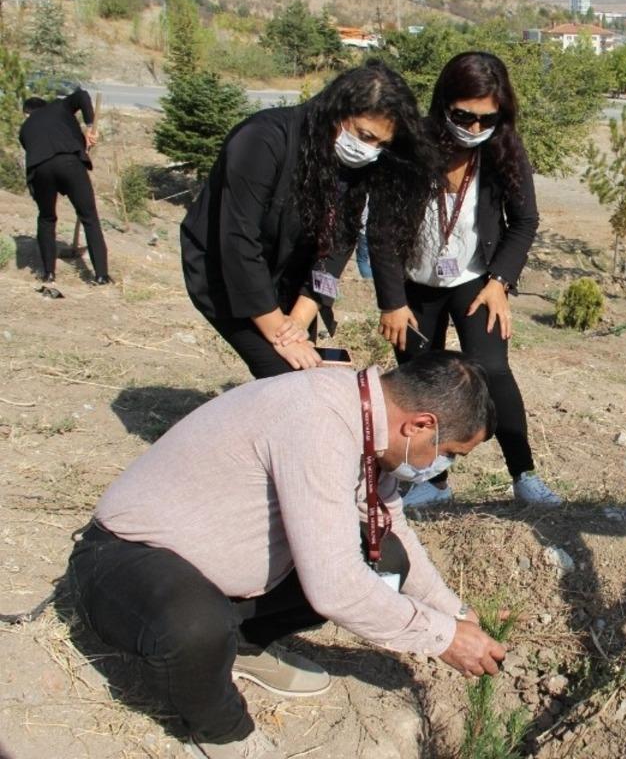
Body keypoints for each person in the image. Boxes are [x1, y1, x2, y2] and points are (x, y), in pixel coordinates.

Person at [68, 350, 508, 759]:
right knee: (195, 626)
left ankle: (239, 644)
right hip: (126, 558)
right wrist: (441, 637)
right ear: (419, 425)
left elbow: (392, 530)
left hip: (210, 571)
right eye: (449, 454)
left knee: (384, 559)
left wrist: (456, 613)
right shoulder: (319, 420)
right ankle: (222, 729)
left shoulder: (367, 420)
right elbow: (335, 587)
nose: (442, 467)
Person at [180, 60, 438, 379]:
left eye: (382, 145)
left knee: (306, 373)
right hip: (225, 270)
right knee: (286, 373)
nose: (370, 151)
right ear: (337, 111)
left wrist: (298, 323)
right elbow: (237, 241)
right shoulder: (263, 139)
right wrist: (279, 332)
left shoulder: (354, 167)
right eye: (365, 136)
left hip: (289, 274)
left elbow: (336, 246)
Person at [382, 52, 560, 507]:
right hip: (414, 286)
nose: (475, 129)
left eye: (487, 118)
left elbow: (525, 221)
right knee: (421, 382)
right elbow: (380, 227)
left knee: (493, 370)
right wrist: (391, 301)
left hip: (476, 281)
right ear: (444, 103)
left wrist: (500, 280)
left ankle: (524, 476)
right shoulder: (411, 144)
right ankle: (432, 481)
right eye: (464, 117)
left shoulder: (505, 148)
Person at [19, 89, 109, 285]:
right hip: (69, 162)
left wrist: (82, 136)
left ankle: (48, 273)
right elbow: (82, 95)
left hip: (40, 169)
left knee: (46, 218)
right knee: (89, 217)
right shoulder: (58, 106)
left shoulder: (25, 129)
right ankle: (101, 275)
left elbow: (42, 146)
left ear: (28, 113)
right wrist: (89, 126)